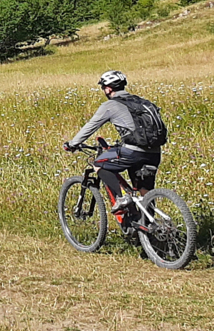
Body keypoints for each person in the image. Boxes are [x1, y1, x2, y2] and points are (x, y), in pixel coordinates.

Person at [63, 70, 168, 225]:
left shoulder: (111, 105)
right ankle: (149, 228)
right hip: (154, 152)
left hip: (132, 152)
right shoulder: (143, 102)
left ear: (108, 89)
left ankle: (121, 197)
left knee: (99, 164)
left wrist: (72, 144)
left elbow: (90, 127)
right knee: (145, 189)